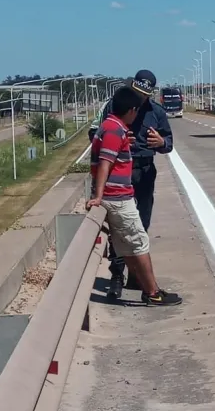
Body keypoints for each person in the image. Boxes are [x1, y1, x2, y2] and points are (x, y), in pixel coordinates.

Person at [86, 86, 181, 306]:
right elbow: (105, 164)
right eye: (136, 111)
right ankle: (153, 292)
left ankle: (144, 286)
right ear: (130, 110)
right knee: (139, 242)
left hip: (122, 192)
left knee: (127, 245)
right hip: (117, 198)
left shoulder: (111, 126)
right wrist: (99, 196)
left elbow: (167, 142)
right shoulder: (114, 130)